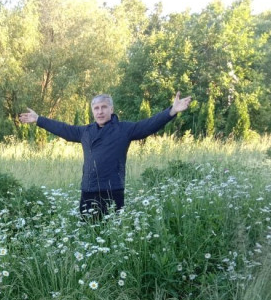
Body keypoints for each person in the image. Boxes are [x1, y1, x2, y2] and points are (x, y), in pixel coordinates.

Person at [19, 92, 192, 218]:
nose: (100, 111)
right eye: (96, 108)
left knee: (113, 234)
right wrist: (39, 119)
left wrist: (171, 111)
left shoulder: (124, 129)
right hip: (88, 190)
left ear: (111, 109)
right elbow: (63, 128)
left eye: (103, 107)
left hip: (113, 190)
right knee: (89, 233)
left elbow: (148, 125)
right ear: (93, 111)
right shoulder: (84, 132)